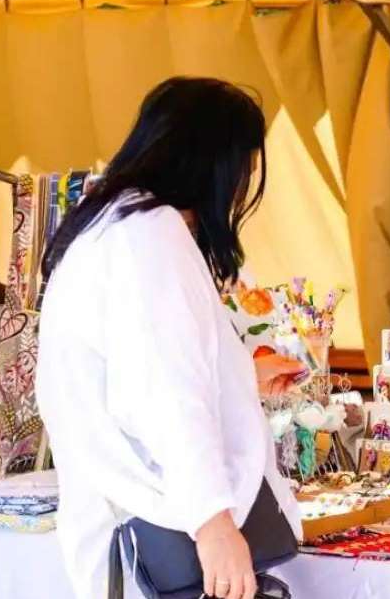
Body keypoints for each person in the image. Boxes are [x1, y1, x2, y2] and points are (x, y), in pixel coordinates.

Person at [35, 77, 306, 599]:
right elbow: (165, 394)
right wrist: (214, 524)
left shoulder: (109, 223)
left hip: (126, 523)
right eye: (244, 169)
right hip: (163, 527)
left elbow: (139, 373)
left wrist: (239, 379)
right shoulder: (151, 234)